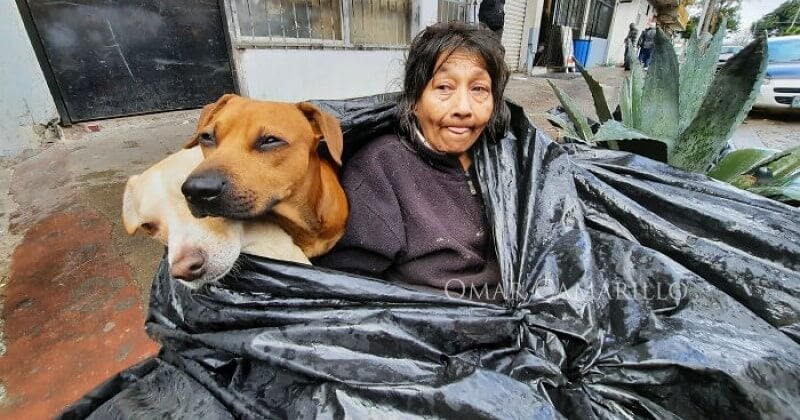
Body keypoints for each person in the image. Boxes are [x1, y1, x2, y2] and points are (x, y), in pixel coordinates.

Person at [315, 22, 510, 300]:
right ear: (414, 102)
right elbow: (348, 289)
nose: (464, 109)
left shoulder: (502, 157)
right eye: (444, 87)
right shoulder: (380, 167)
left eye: (479, 89)